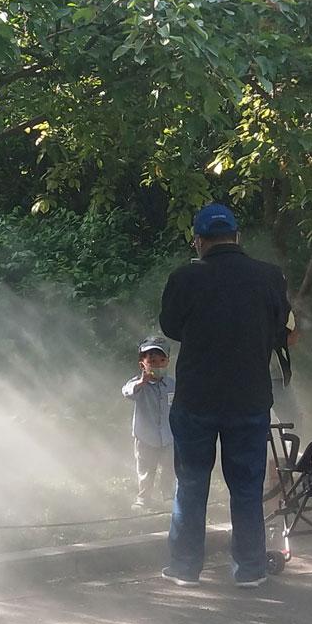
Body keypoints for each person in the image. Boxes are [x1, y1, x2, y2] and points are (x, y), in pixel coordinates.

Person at [157, 202, 291, 587]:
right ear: (237, 237)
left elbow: (171, 327)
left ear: (199, 241)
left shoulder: (185, 277)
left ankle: (185, 568)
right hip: (249, 399)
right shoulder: (270, 277)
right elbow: (280, 327)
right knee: (247, 486)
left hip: (196, 400)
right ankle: (250, 569)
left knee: (191, 484)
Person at [122, 338, 174, 507]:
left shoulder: (172, 384)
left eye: (161, 361)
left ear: (167, 362)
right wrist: (141, 383)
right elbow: (127, 392)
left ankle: (169, 497)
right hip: (145, 437)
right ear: (142, 365)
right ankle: (144, 498)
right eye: (152, 362)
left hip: (169, 436)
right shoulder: (137, 384)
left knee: (169, 468)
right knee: (145, 469)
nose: (157, 365)